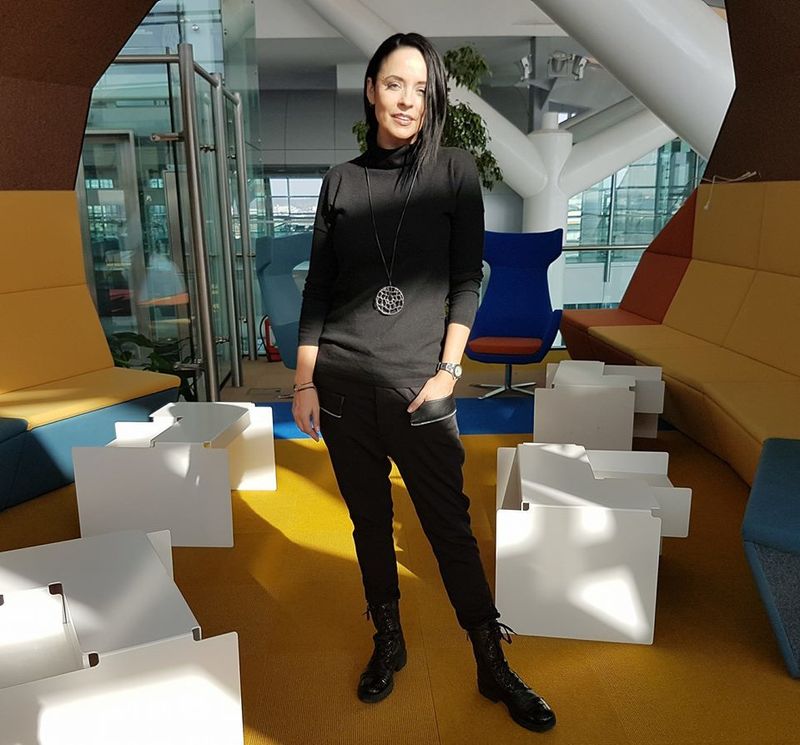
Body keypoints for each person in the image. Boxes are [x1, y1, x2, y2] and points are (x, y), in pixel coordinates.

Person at [292, 32, 556, 734]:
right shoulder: (340, 181)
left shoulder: (454, 170)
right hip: (342, 385)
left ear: (433, 97)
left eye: (420, 88)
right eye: (393, 84)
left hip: (421, 389)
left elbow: (468, 279)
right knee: (368, 521)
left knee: (449, 525)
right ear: (371, 90)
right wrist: (305, 382)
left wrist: (448, 372)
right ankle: (389, 639)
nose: (407, 99)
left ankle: (490, 660)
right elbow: (319, 286)